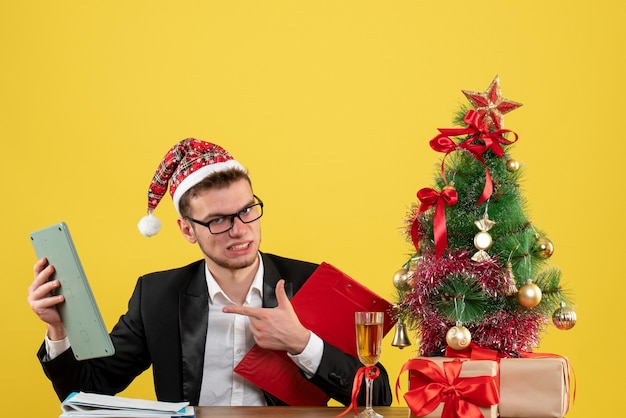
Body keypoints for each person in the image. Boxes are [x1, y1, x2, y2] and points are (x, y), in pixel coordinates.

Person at [27, 138, 393, 407]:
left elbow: (377, 397)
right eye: (218, 220)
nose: (239, 230)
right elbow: (87, 393)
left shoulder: (308, 284)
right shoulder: (157, 297)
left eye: (247, 211)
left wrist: (302, 342)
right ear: (187, 230)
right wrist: (58, 330)